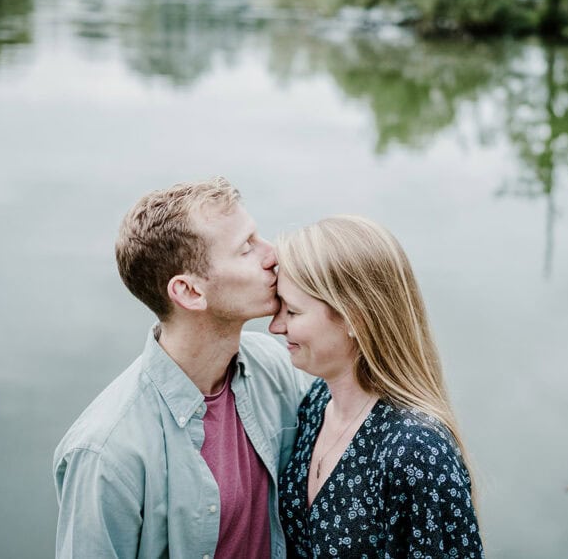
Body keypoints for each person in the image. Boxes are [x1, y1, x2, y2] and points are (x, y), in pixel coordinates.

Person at [53, 178, 311, 559]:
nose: (273, 254)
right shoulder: (106, 452)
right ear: (189, 292)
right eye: (246, 248)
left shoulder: (279, 366)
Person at [268, 215, 484, 558]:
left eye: (292, 312)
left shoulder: (417, 451)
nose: (275, 326)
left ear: (354, 318)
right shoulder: (317, 403)